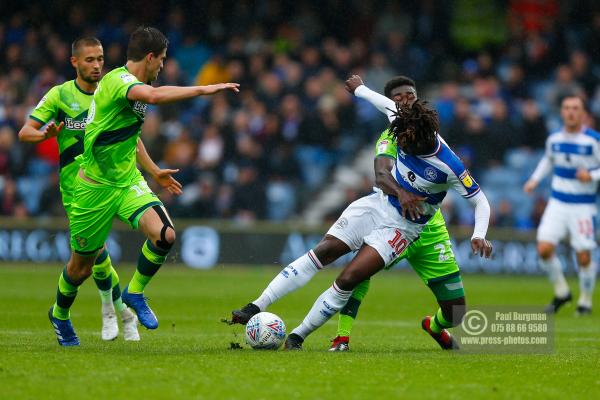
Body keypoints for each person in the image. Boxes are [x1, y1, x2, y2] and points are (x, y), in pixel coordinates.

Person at [48, 26, 239, 346]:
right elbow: (153, 96)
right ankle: (60, 314)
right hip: (94, 186)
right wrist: (205, 89)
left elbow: (129, 137)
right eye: (162, 59)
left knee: (165, 235)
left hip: (127, 181)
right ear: (149, 58)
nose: (163, 66)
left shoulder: (135, 87)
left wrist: (152, 171)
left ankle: (134, 293)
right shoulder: (119, 82)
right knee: (80, 268)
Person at [283, 78, 492, 350]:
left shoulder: (449, 164)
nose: (401, 140)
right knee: (358, 271)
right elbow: (381, 106)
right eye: (399, 97)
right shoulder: (396, 128)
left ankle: (434, 326)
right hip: (390, 219)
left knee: (456, 313)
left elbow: (481, 200)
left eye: (409, 95)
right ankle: (341, 336)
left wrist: (479, 235)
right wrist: (359, 89)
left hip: (429, 228)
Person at [229, 76, 426, 327]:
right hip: (382, 204)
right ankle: (257, 305)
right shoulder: (389, 137)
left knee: (453, 307)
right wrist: (401, 192)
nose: (405, 102)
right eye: (398, 99)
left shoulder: (430, 133)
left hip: (414, 223)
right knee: (323, 252)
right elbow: (382, 175)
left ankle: (303, 334)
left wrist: (361, 90)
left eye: (410, 95)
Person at [19, 37, 140, 341]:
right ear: (75, 62)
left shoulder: (111, 92)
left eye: (100, 58)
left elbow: (132, 137)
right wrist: (44, 134)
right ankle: (117, 310)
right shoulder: (60, 96)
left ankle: (114, 311)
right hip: (78, 190)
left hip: (115, 182)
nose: (97, 65)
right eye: (90, 60)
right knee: (91, 259)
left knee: (96, 256)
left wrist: (151, 171)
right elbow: (25, 132)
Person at [524, 95, 599, 315]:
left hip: (583, 206)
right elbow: (548, 159)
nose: (571, 112)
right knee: (544, 249)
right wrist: (535, 180)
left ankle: (585, 300)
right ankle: (562, 292)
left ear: (583, 113)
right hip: (557, 203)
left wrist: (592, 175)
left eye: (575, 108)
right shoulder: (554, 139)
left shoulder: (593, 140)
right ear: (562, 112)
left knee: (583, 256)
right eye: (567, 108)